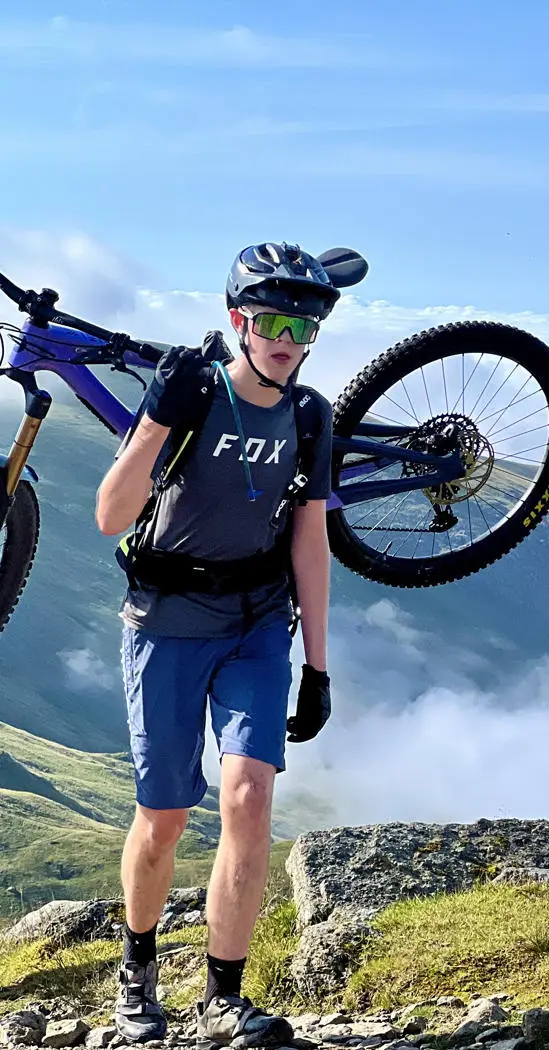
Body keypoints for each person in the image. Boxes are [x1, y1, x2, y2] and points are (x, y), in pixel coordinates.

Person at [95, 242, 341, 1046]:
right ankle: (137, 974)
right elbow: (109, 516)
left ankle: (223, 999)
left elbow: (311, 539)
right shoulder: (195, 392)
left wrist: (318, 667)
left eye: (302, 324)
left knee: (249, 796)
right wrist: (157, 417)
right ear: (238, 320)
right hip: (166, 619)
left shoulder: (309, 415)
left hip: (258, 623)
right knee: (164, 816)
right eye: (270, 319)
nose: (286, 335)